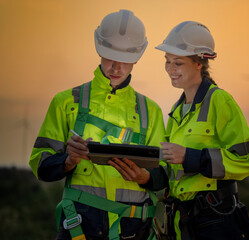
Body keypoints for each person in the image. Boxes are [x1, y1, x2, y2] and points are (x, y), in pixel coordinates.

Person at [114, 21, 249, 240]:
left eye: (178, 63)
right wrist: (145, 177)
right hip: (183, 223)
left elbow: (247, 159)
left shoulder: (219, 100)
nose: (170, 69)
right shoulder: (176, 111)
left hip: (216, 219)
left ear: (199, 63)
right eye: (167, 61)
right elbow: (171, 173)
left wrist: (189, 156)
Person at [29, 9, 165, 240]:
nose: (116, 67)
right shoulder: (65, 102)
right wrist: (68, 160)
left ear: (136, 57)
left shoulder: (150, 111)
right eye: (110, 56)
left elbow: (165, 176)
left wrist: (145, 177)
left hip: (132, 229)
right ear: (98, 48)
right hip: (79, 226)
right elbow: (41, 166)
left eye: (125, 60)